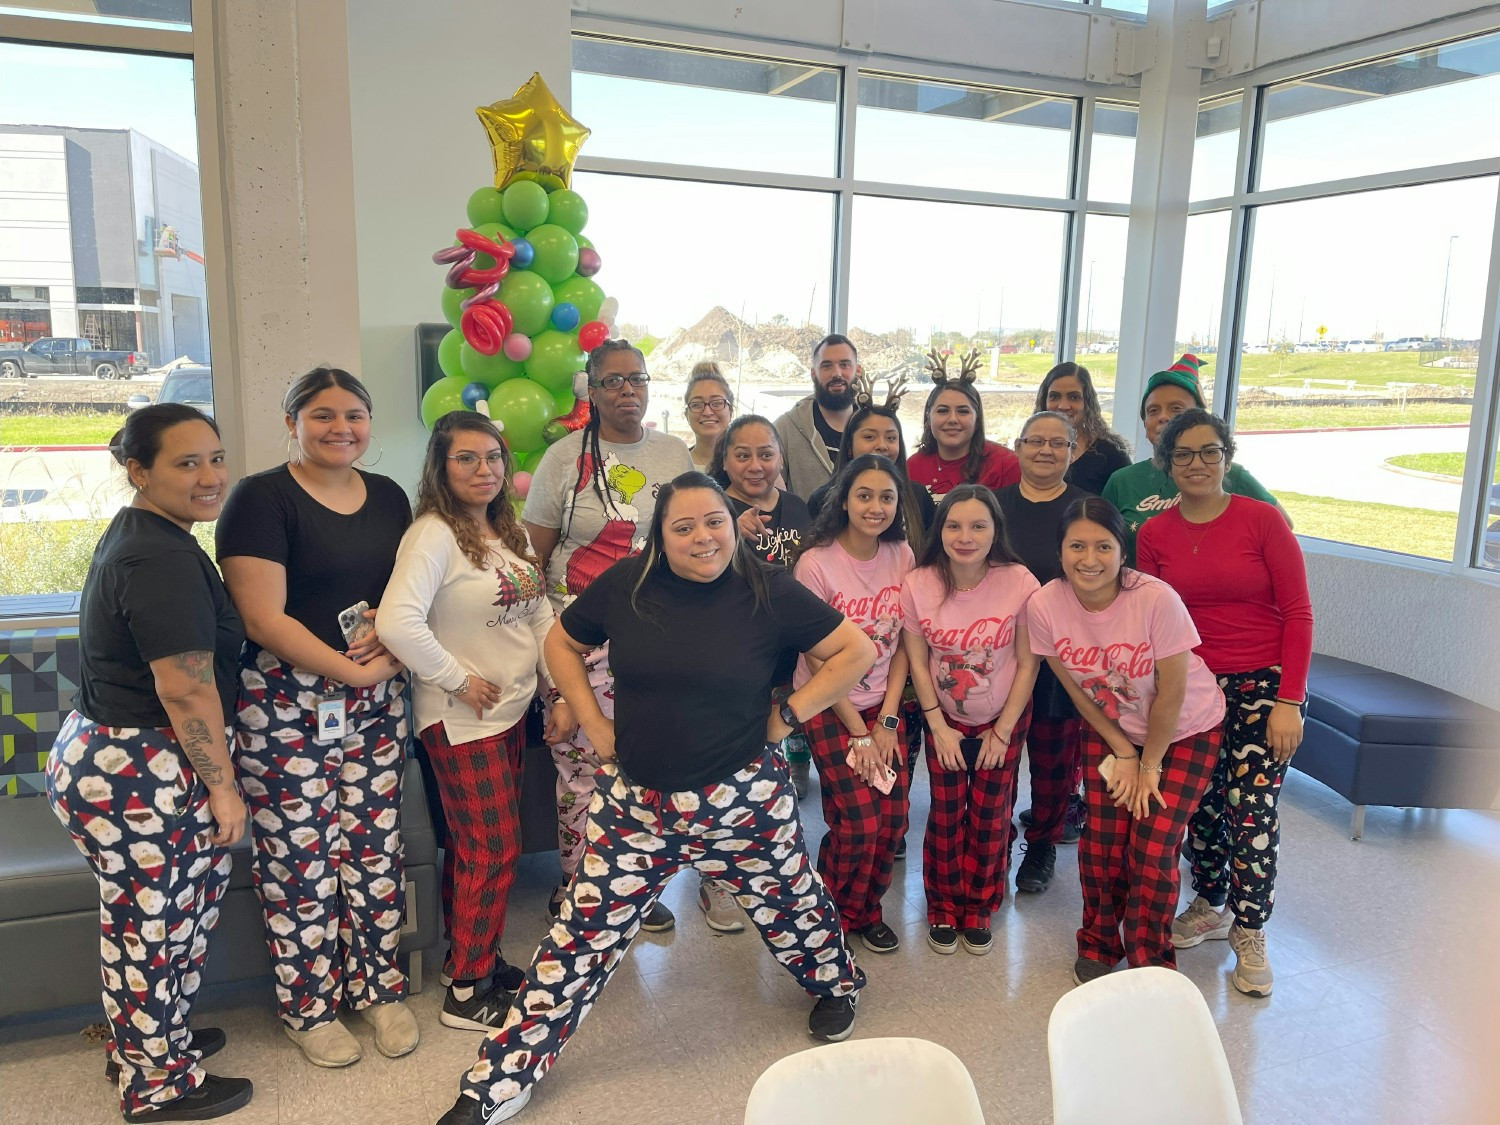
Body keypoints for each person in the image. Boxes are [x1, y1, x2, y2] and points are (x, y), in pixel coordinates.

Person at [436, 473, 876, 1125]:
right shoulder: (627, 584)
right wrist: (591, 718)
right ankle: (500, 1078)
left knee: (792, 901)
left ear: (733, 524)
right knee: (577, 938)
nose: (703, 536)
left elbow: (855, 650)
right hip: (638, 807)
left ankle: (837, 984)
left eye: (714, 522)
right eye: (684, 526)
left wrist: (792, 711)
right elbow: (562, 640)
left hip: (744, 802)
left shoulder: (768, 589)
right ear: (660, 537)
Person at [47, 405, 253, 1122]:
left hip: (123, 757)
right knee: (152, 924)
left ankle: (154, 1037)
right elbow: (185, 684)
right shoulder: (159, 556)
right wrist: (223, 788)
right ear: (139, 471)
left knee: (168, 917)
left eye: (216, 458)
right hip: (139, 768)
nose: (210, 476)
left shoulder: (152, 532)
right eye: (186, 462)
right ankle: (157, 1083)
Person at [217, 366, 418, 1068]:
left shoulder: (391, 496)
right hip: (285, 706)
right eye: (323, 414)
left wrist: (389, 647)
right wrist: (350, 668)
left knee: (374, 850)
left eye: (355, 414)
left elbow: (409, 592)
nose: (342, 428)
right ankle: (310, 1007)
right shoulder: (259, 498)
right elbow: (260, 615)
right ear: (291, 421)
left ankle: (380, 990)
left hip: (377, 698)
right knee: (299, 860)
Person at [378, 411, 571, 1031]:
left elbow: (538, 614)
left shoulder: (502, 530)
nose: (483, 469)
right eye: (467, 458)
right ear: (441, 466)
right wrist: (458, 679)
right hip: (462, 721)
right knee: (493, 850)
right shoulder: (433, 533)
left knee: (475, 849)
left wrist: (558, 690)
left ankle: (475, 959)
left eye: (493, 457)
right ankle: (466, 992)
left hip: (509, 713)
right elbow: (395, 622)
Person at [1137, 408, 1313, 999]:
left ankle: (1251, 926)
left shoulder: (1262, 521)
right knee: (1203, 804)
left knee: (1252, 805)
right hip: (1192, 684)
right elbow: (1152, 618)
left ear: (1227, 457)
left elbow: (1299, 614)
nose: (1197, 464)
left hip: (1265, 685)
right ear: (1167, 465)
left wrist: (1289, 699)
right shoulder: (1154, 535)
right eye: (1182, 454)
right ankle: (1209, 903)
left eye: (1208, 451)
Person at [521, 339, 692, 932]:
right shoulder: (564, 460)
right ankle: (577, 883)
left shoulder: (675, 454)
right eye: (613, 381)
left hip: (653, 639)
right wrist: (555, 668)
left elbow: (692, 549)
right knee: (581, 770)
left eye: (637, 379)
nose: (627, 391)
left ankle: (637, 885)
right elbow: (533, 563)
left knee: (643, 766)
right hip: (575, 638)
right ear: (590, 391)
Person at [1026, 497, 1226, 984]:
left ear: (1122, 552)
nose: (1089, 559)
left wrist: (1148, 764)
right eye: (1076, 546)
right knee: (1101, 844)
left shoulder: (1156, 599)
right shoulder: (1045, 604)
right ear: (1061, 551)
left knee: (1153, 846)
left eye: (1103, 546)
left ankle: (1150, 958)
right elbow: (1077, 689)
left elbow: (1173, 691)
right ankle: (1098, 940)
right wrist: (1122, 750)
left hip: (1185, 729)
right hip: (1112, 728)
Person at [901, 485, 1039, 956]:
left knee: (989, 816)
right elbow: (918, 662)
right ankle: (942, 905)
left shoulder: (1019, 580)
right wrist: (937, 725)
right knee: (945, 813)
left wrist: (1002, 731)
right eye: (954, 525)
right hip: (945, 723)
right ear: (940, 530)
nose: (965, 536)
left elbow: (1028, 663)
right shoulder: (918, 582)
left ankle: (980, 904)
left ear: (995, 530)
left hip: (1004, 720)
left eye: (978, 525)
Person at [792, 454, 914, 954]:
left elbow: (906, 641)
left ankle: (867, 911)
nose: (875, 506)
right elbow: (819, 659)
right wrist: (859, 732)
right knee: (858, 821)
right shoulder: (815, 563)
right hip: (828, 705)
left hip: (882, 705)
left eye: (887, 497)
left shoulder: (903, 554)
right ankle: (830, 914)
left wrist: (886, 718)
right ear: (844, 499)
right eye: (864, 495)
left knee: (894, 819)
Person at [996, 411, 1092, 892]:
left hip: (1061, 659)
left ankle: (1041, 845)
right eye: (1036, 441)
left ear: (1073, 451)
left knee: (1054, 761)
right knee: (1001, 755)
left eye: (1059, 443)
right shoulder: (994, 507)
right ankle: (994, 841)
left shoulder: (1086, 510)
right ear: (1018, 446)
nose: (1046, 451)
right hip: (999, 657)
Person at [1100, 354, 1286, 564]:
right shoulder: (1122, 481)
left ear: (1197, 417)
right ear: (1144, 424)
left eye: (1176, 408)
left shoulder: (1232, 475)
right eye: (1153, 411)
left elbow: (1281, 527)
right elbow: (1099, 545)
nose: (1163, 416)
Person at [806, 399, 936, 544]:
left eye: (891, 438)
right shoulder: (822, 499)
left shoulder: (918, 495)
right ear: (849, 445)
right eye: (869, 437)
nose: (882, 445)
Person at [907, 349, 1021, 503]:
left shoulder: (1006, 465)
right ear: (928, 419)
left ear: (977, 420)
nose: (952, 419)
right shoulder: (912, 468)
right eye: (942, 411)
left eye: (963, 411)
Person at [709, 413, 811, 567]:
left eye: (766, 455)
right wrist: (729, 534)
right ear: (725, 460)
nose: (755, 466)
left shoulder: (797, 506)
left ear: (781, 459)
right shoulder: (713, 513)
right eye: (743, 456)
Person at [774, 333, 860, 499]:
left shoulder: (876, 427)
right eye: (827, 366)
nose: (837, 373)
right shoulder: (785, 429)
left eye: (845, 364)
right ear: (814, 374)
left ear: (858, 370)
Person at [1034, 361, 1131, 495]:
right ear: (1044, 401)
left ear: (1087, 403)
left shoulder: (1110, 453)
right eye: (1054, 396)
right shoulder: (1030, 449)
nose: (1063, 406)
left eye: (1074, 397)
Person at [683, 361, 734, 473]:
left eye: (716, 403)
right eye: (697, 404)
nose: (707, 412)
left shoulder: (748, 463)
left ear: (730, 411)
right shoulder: (676, 464)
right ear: (686, 414)